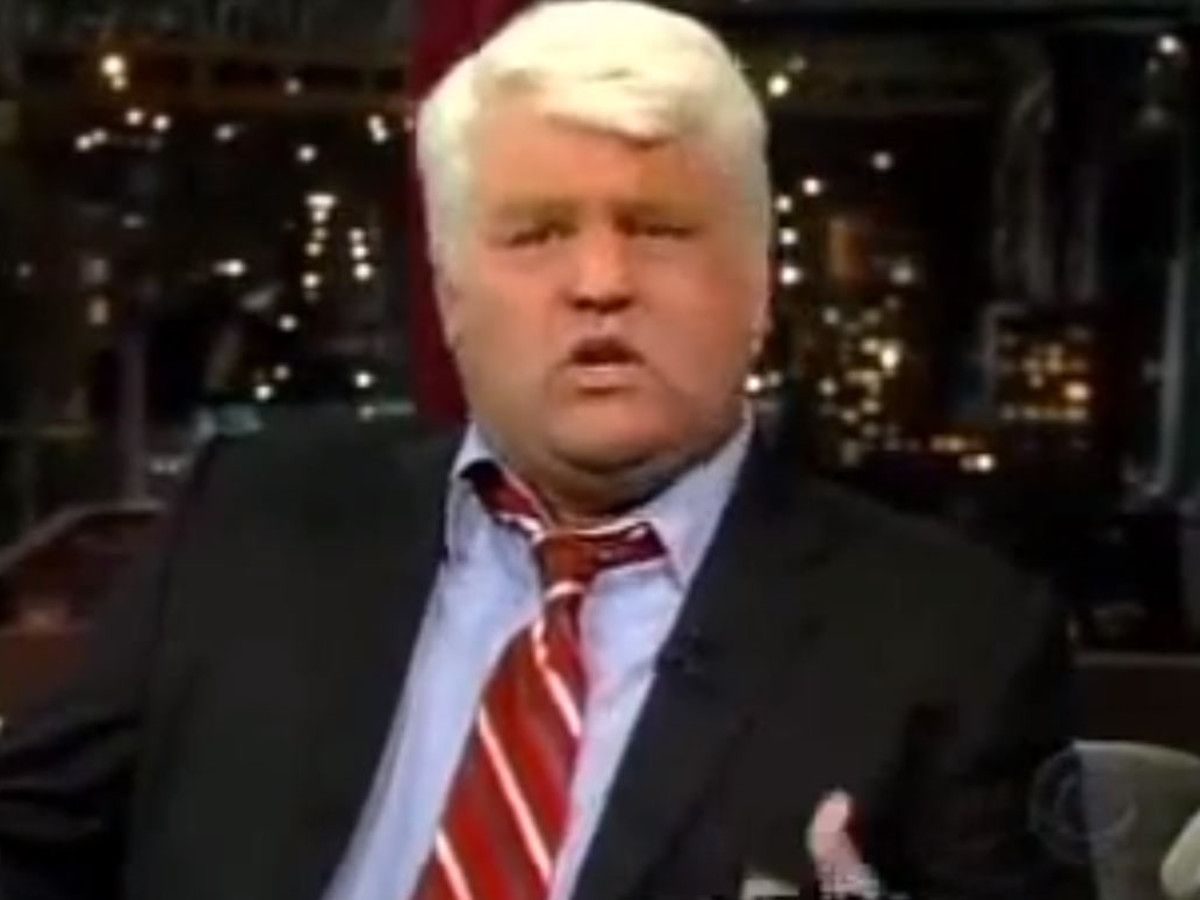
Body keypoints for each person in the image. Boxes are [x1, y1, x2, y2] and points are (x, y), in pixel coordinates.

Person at [0, 2, 1094, 898]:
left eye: (659, 229)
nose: (600, 282)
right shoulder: (254, 518)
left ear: (758, 284)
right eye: (536, 234)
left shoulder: (952, 637)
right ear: (449, 293)